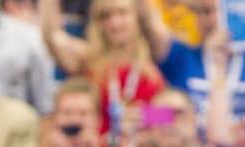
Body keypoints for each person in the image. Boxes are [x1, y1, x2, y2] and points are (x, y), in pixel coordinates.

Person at [37, 0, 166, 136]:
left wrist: (145, 116)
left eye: (122, 13)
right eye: (106, 16)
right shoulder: (88, 60)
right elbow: (52, 37)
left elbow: (171, 116)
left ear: (137, 16)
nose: (115, 23)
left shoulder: (153, 66)